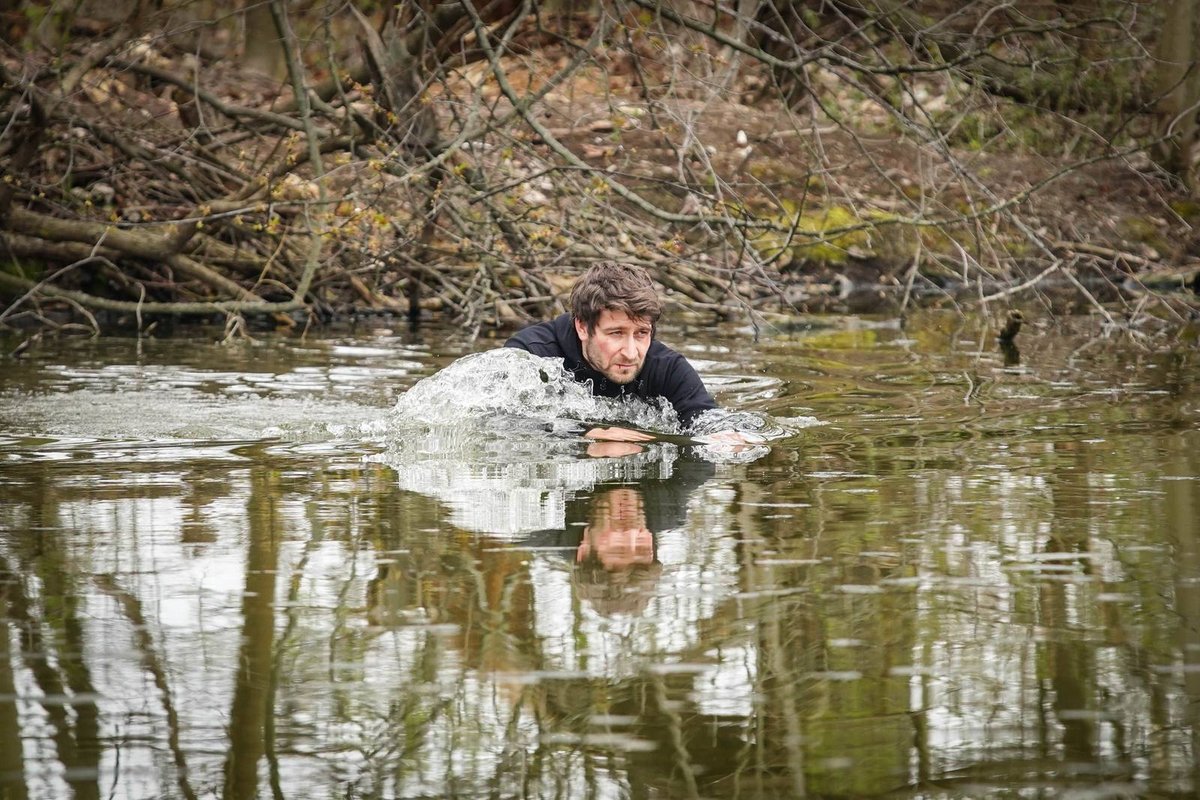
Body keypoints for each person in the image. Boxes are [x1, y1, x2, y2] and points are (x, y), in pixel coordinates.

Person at [505, 261, 731, 443]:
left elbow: (706, 418)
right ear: (583, 327)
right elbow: (497, 421)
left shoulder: (667, 367)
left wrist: (727, 436)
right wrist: (581, 437)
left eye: (641, 333)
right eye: (616, 333)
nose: (631, 353)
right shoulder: (531, 354)